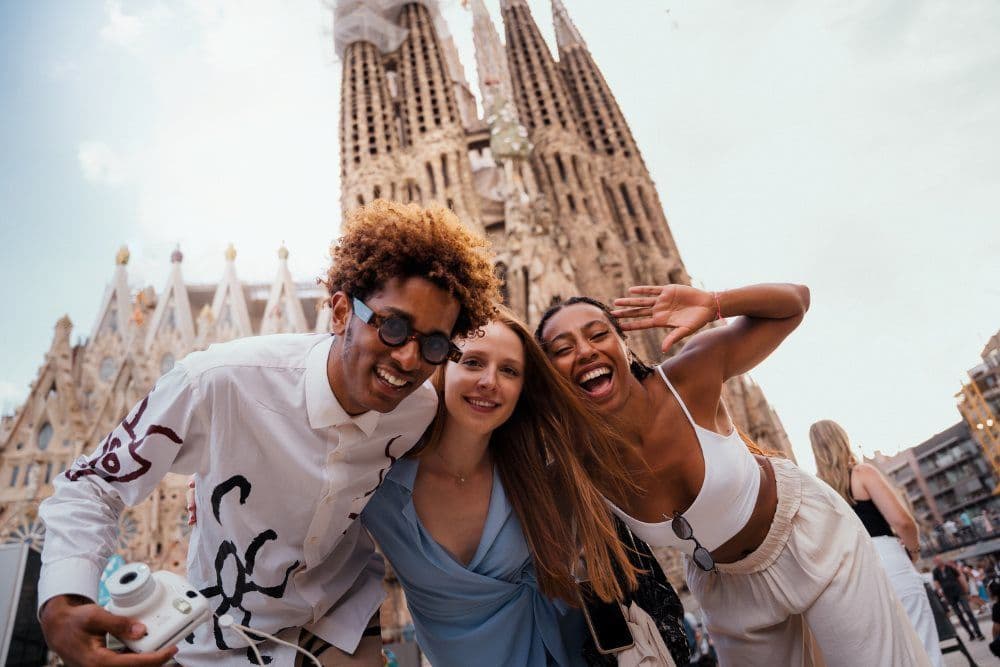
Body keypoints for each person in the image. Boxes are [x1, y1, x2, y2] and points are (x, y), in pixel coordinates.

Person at [37, 200, 501, 666]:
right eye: (394, 327)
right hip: (228, 629)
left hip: (342, 615)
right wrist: (63, 600)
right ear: (341, 313)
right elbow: (94, 483)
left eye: (435, 343)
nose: (408, 359)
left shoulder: (418, 407)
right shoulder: (218, 382)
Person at [188, 309, 691, 665]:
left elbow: (636, 453)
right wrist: (214, 473)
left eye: (510, 371)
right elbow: (298, 454)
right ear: (442, 370)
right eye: (472, 362)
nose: (490, 381)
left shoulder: (543, 470)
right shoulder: (378, 476)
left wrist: (714, 312)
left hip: (582, 651)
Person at [536, 283, 931, 666]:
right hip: (726, 587)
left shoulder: (687, 378)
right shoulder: (575, 466)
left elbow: (795, 302)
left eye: (598, 334)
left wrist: (715, 303)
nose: (585, 352)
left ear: (624, 343)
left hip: (809, 539)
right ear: (550, 375)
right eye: (562, 350)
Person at [810, 419, 944, 666]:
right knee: (923, 646)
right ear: (843, 439)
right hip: (888, 557)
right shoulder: (862, 473)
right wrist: (913, 550)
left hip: (853, 571)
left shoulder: (817, 489)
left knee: (885, 653)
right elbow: (902, 521)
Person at [932, 556, 985, 642]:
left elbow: (960, 578)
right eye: (936, 561)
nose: (937, 562)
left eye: (938, 560)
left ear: (941, 560)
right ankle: (970, 633)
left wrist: (966, 591)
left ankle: (978, 632)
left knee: (968, 611)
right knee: (959, 615)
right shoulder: (936, 572)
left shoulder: (950, 568)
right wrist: (940, 592)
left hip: (959, 592)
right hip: (949, 595)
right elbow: (936, 583)